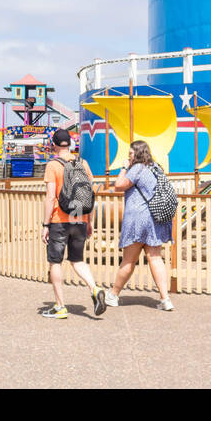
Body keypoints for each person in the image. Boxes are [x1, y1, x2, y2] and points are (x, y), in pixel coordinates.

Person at [41, 129, 106, 319]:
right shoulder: (82, 163)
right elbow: (89, 194)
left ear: (54, 145)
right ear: (70, 144)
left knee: (55, 262)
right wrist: (89, 221)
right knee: (77, 260)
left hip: (59, 220)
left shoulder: (53, 165)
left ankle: (60, 306)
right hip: (79, 218)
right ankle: (94, 289)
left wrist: (45, 225)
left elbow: (50, 197)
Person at [104, 140, 174, 311]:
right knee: (155, 258)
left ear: (137, 153)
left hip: (137, 220)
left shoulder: (137, 168)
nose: (128, 157)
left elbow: (118, 186)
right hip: (155, 219)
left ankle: (113, 295)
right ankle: (165, 299)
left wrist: (123, 167)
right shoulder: (155, 167)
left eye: (130, 154)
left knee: (129, 260)